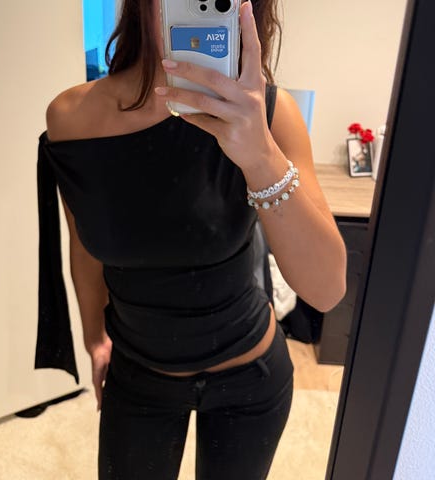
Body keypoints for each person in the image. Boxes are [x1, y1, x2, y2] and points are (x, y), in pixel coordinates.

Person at [36, 0, 347, 478]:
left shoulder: (269, 114)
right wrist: (94, 337)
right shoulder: (71, 119)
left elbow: (326, 290)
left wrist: (259, 154)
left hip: (250, 376)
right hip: (138, 375)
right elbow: (83, 243)